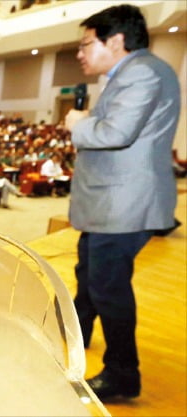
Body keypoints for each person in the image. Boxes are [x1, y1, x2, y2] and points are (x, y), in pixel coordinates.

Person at [64, 4, 180, 401]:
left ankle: (122, 374)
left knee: (108, 286)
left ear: (115, 41)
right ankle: (77, 334)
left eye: (85, 44)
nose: (80, 53)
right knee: (89, 270)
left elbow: (116, 132)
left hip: (125, 203)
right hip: (109, 201)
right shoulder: (127, 75)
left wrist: (80, 124)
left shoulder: (142, 73)